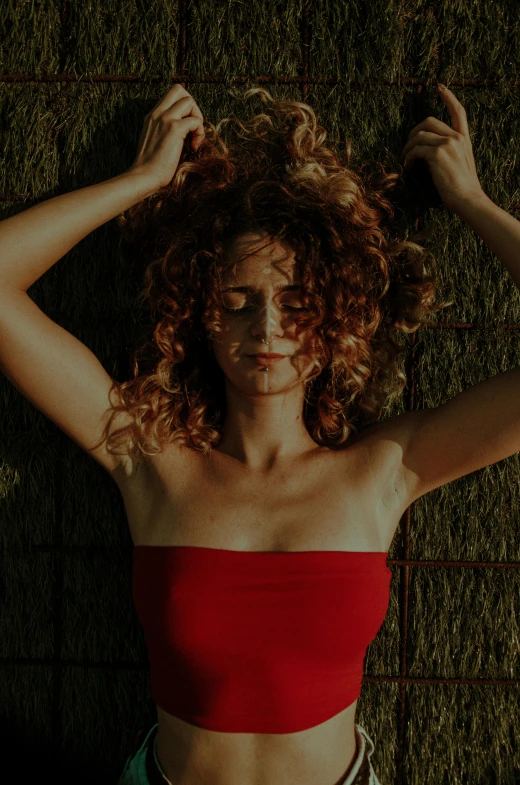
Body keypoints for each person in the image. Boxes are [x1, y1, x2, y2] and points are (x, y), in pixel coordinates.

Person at [1, 82, 518, 785]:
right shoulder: (147, 457)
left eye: (297, 302)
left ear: (335, 316)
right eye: (237, 302)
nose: (267, 328)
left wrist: (472, 201)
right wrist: (141, 181)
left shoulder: (387, 468)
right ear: (198, 317)